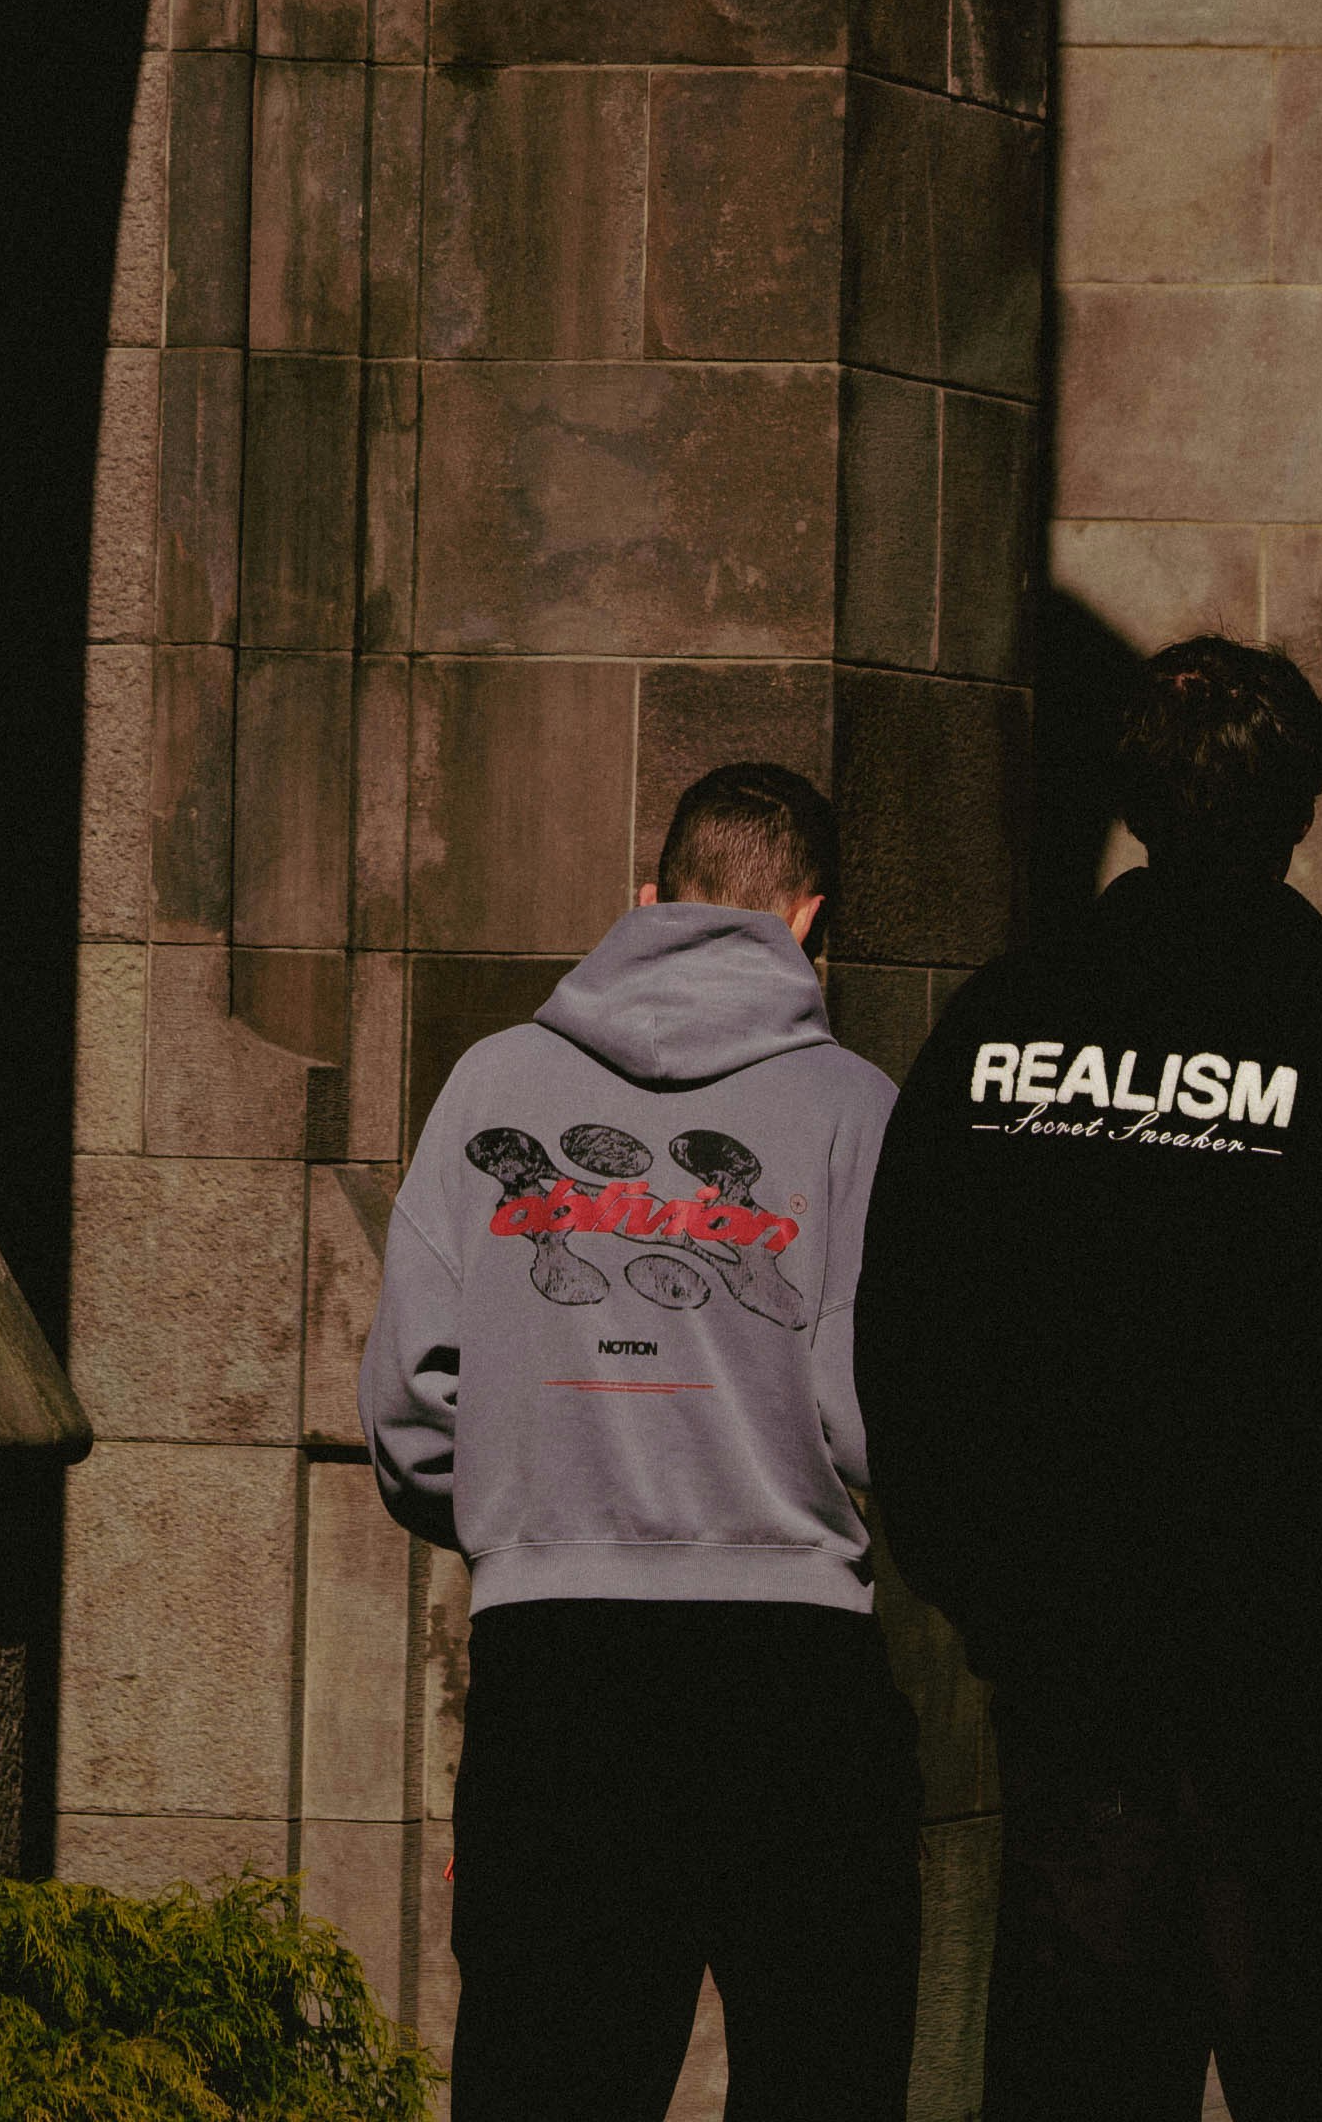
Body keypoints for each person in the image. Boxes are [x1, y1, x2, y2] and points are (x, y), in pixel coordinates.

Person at [857, 639, 1322, 2122]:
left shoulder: (1005, 1026)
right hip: (1292, 1669)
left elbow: (907, 1335)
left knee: (1081, 2077)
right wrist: (1311, 1375)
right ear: (1300, 809)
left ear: (1131, 798)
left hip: (1081, 1673)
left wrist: (992, 1586)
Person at [365, 762, 913, 2117]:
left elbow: (410, 1415)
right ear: (807, 922)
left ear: (648, 900)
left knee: (549, 2080)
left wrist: (545, 1504)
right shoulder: (857, 1112)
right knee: (820, 2080)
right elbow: (868, 1413)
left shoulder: (491, 1082)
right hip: (791, 1670)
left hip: (562, 1666)